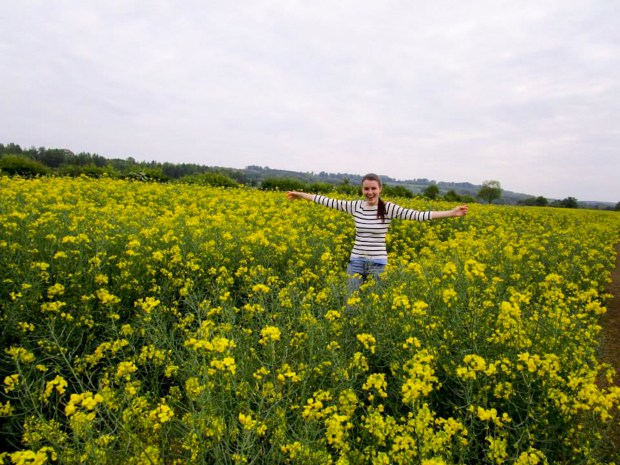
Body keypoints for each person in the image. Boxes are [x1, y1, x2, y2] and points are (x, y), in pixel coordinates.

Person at [286, 173, 468, 292]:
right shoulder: (355, 206)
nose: (370, 192)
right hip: (356, 263)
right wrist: (301, 195)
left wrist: (452, 213)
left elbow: (419, 215)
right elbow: (326, 200)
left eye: (373, 188)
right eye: (366, 188)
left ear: (380, 189)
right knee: (351, 306)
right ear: (362, 190)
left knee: (374, 307)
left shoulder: (388, 208)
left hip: (378, 265)